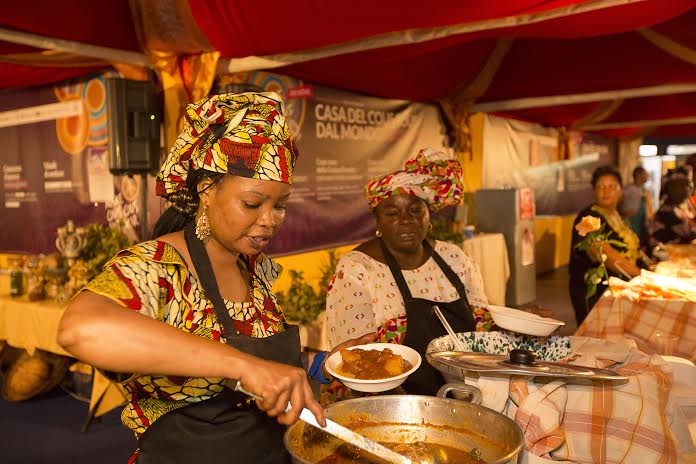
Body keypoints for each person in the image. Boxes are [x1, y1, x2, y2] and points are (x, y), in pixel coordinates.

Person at [57, 92, 371, 464]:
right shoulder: (160, 265)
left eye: (281, 205)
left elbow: (262, 360)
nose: (270, 220)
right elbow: (80, 330)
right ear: (206, 190)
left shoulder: (251, 267)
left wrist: (319, 364)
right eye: (253, 204)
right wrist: (243, 365)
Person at [324, 148, 493, 399]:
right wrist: (414, 409)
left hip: (463, 392)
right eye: (392, 213)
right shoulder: (357, 271)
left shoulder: (454, 259)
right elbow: (356, 360)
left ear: (429, 214)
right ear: (377, 221)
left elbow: (482, 329)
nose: (406, 220)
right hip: (387, 402)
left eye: (416, 210)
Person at [569, 165, 641, 325]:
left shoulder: (618, 215)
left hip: (620, 288)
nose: (606, 191)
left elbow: (633, 247)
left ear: (620, 191)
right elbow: (605, 255)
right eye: (600, 187)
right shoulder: (588, 218)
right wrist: (640, 274)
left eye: (611, 186)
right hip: (593, 292)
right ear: (594, 191)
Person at [649, 167, 696, 249]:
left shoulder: (685, 207)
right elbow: (658, 245)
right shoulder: (664, 215)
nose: (687, 189)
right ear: (670, 188)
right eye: (681, 185)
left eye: (688, 184)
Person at [620, 166, 653, 244]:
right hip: (630, 223)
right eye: (645, 174)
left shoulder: (644, 190)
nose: (647, 176)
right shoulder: (628, 189)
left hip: (641, 224)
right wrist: (624, 214)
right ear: (638, 175)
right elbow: (619, 202)